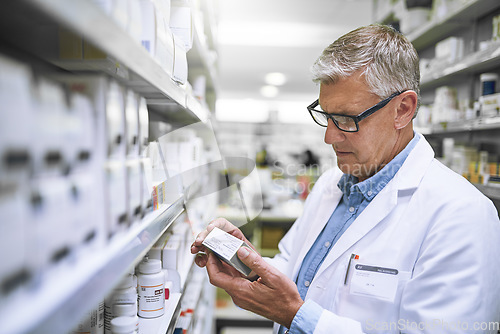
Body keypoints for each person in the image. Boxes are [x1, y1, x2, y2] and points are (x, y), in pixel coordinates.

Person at [191, 24, 500, 333]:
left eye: (345, 119)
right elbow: (296, 271)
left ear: (403, 110)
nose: (329, 136)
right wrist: (245, 259)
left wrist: (296, 316)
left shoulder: (463, 215)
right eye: (326, 116)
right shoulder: (332, 183)